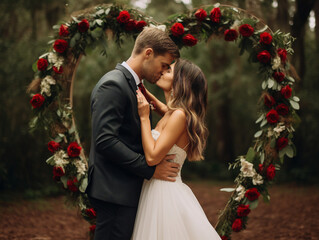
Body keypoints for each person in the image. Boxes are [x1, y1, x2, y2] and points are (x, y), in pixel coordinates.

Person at [85, 27, 180, 240]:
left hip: (125, 190)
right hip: (114, 191)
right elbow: (105, 140)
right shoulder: (113, 84)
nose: (164, 72)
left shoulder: (134, 86)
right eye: (163, 65)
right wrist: (149, 170)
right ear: (148, 53)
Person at [132, 59, 221, 240]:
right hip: (154, 188)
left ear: (181, 81)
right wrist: (142, 88)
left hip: (163, 194)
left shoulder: (179, 116)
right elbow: (164, 108)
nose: (163, 71)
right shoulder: (172, 113)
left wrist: (144, 118)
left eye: (169, 70)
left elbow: (152, 158)